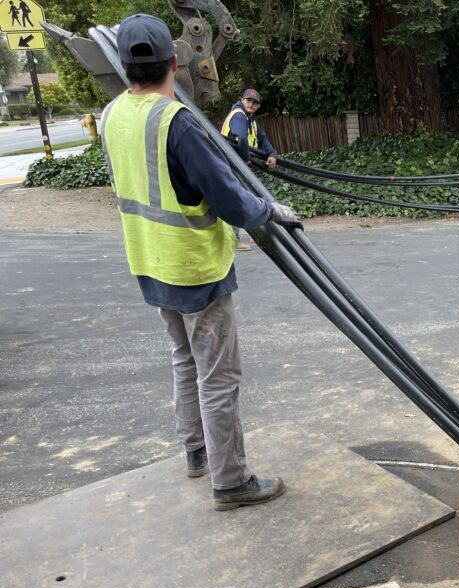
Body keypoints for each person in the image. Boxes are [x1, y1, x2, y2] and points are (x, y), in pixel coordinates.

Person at [100, 14, 301, 510]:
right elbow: (228, 199)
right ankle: (231, 481)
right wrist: (268, 210)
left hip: (150, 262)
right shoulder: (176, 122)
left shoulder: (111, 115)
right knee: (219, 377)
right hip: (195, 268)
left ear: (125, 67)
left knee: (184, 360)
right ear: (175, 61)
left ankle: (196, 452)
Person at [221, 88, 278, 251]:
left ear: (258, 106)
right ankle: (234, 240)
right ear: (242, 100)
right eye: (249, 101)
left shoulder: (250, 119)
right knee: (236, 199)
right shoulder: (239, 115)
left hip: (235, 164)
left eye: (255, 102)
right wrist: (245, 159)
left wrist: (272, 154)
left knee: (237, 198)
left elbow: (262, 138)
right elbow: (242, 139)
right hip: (231, 164)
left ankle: (231, 238)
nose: (251, 104)